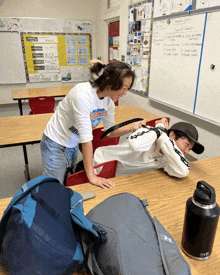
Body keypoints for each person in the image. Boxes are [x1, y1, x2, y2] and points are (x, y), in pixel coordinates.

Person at [40, 60, 147, 188]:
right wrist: (92, 176)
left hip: (72, 142)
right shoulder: (82, 95)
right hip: (55, 141)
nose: (124, 93)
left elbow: (110, 131)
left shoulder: (109, 102)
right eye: (123, 88)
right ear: (110, 81)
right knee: (53, 185)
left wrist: (131, 128)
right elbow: (86, 140)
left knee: (65, 179)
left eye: (127, 89)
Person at [94, 118, 204, 179]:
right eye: (186, 145)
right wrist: (160, 130)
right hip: (98, 166)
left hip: (119, 179)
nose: (185, 152)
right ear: (172, 135)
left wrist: (165, 140)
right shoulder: (148, 131)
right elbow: (136, 145)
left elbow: (183, 171)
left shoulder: (168, 159)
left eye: (189, 149)